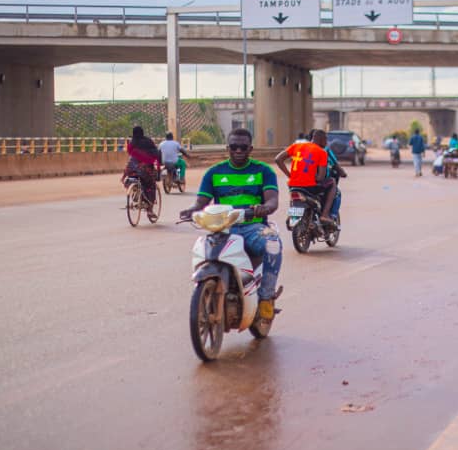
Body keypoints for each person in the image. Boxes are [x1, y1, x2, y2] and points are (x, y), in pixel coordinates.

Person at [180, 128, 282, 320]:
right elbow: (201, 202)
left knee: (273, 245)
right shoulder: (213, 173)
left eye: (243, 147)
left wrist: (264, 208)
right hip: (222, 228)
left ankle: (266, 297)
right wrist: (191, 210)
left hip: (253, 227)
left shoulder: (264, 171)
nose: (238, 151)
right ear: (228, 148)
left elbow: (272, 201)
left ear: (250, 149)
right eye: (234, 147)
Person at [275, 128, 336, 225]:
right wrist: (314, 177)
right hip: (309, 187)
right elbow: (320, 177)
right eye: (326, 139)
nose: (327, 142)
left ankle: (293, 215)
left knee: (294, 195)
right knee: (332, 182)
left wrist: (289, 175)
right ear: (321, 140)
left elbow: (278, 159)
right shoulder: (322, 152)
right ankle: (324, 215)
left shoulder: (296, 146)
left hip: (293, 185)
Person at [123, 126, 160, 207]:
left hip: (131, 169)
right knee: (151, 183)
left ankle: (136, 191)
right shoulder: (148, 141)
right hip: (144, 169)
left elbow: (129, 153)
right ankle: (150, 208)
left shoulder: (132, 143)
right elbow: (156, 155)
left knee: (129, 178)